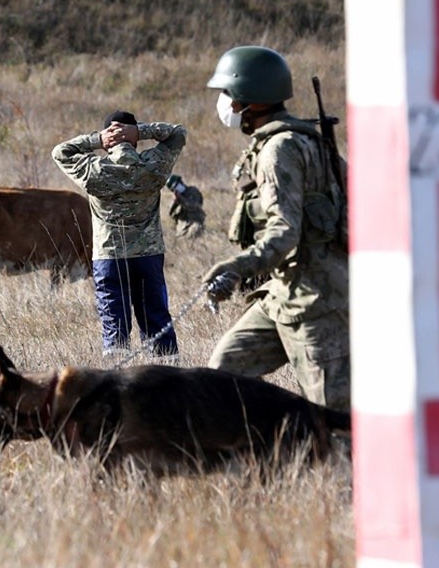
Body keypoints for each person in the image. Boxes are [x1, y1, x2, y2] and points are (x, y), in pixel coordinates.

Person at [200, 45, 349, 410]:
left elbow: (284, 231)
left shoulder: (279, 150)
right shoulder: (297, 139)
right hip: (282, 292)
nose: (223, 102)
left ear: (244, 99)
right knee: (223, 372)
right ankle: (262, 455)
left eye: (226, 93)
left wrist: (236, 268)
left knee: (332, 414)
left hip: (317, 300)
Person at [52, 110, 186, 357]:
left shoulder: (94, 169)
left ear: (106, 143)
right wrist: (141, 131)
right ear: (134, 140)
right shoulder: (152, 165)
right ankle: (167, 381)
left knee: (114, 329)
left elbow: (60, 152)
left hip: (109, 258)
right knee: (157, 322)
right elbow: (178, 134)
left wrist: (96, 140)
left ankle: (115, 382)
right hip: (148, 256)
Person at [165, 174, 206, 238]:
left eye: (177, 185)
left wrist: (181, 199)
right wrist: (175, 201)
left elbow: (193, 206)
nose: (177, 188)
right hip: (182, 227)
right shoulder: (176, 199)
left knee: (195, 231)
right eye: (174, 188)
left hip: (195, 222)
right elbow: (171, 214)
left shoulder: (193, 191)